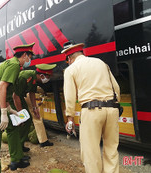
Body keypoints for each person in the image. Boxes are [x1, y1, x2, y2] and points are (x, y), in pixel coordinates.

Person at [61, 41, 120, 173]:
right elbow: (116, 87)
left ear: (69, 58)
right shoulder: (100, 62)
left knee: (91, 152)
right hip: (112, 109)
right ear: (82, 53)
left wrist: (70, 118)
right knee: (111, 149)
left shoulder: (71, 69)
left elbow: (69, 96)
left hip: (91, 111)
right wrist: (115, 106)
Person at [0, 42, 35, 172]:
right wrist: (4, 113)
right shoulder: (14, 64)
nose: (30, 60)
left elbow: (7, 92)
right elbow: (1, 87)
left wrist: (10, 109)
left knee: (13, 128)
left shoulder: (14, 65)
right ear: (25, 55)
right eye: (30, 57)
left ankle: (16, 159)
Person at [12, 64, 56, 151]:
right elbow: (15, 96)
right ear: (42, 75)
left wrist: (35, 108)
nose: (48, 79)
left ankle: (21, 145)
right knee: (20, 122)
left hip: (20, 97)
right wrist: (21, 114)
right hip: (12, 99)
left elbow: (32, 93)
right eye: (48, 76)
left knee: (28, 120)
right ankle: (17, 148)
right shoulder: (25, 76)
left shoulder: (34, 79)